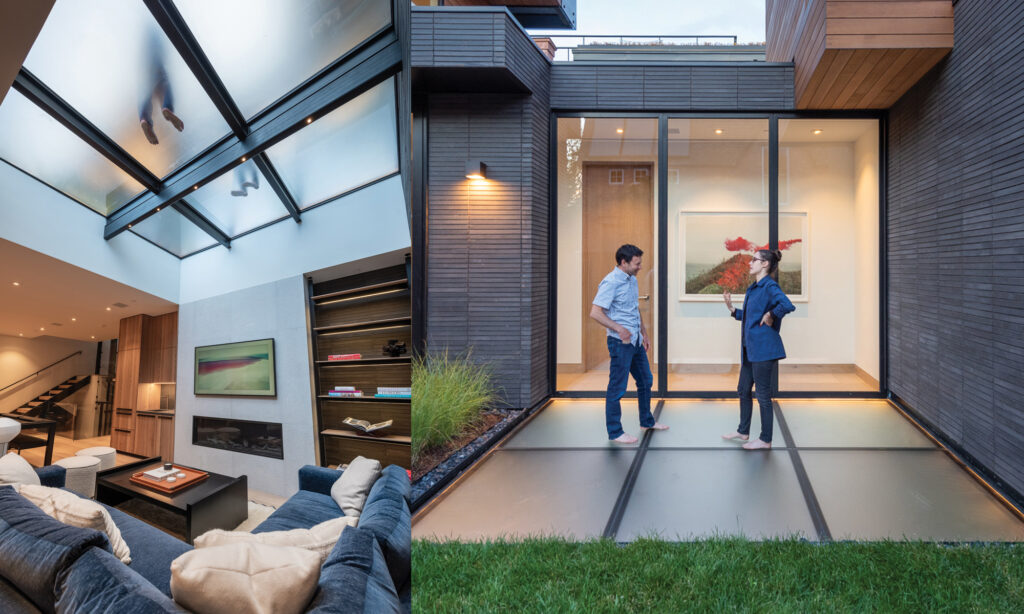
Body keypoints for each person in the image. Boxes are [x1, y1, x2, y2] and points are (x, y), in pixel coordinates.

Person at [590, 244, 668, 444]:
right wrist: (618, 328)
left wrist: (644, 333)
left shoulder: (631, 280)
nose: (640, 267)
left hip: (635, 341)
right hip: (620, 343)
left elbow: (634, 308)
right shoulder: (610, 282)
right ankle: (615, 432)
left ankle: (646, 421)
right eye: (637, 263)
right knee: (617, 387)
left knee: (646, 380)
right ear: (623, 262)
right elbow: (596, 312)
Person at [721, 249, 795, 450]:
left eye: (754, 260)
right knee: (743, 390)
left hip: (764, 349)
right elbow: (751, 317)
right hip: (750, 349)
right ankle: (743, 431)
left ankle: (765, 439)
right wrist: (732, 310)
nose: (750, 263)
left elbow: (787, 305)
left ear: (765, 264)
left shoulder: (769, 286)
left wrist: (772, 313)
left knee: (762, 395)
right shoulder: (753, 288)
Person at [139, 30, 184, 145]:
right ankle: (166, 108)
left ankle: (145, 120)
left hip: (147, 69)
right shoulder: (156, 37)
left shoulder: (144, 44)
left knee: (146, 93)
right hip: (157, 63)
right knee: (164, 83)